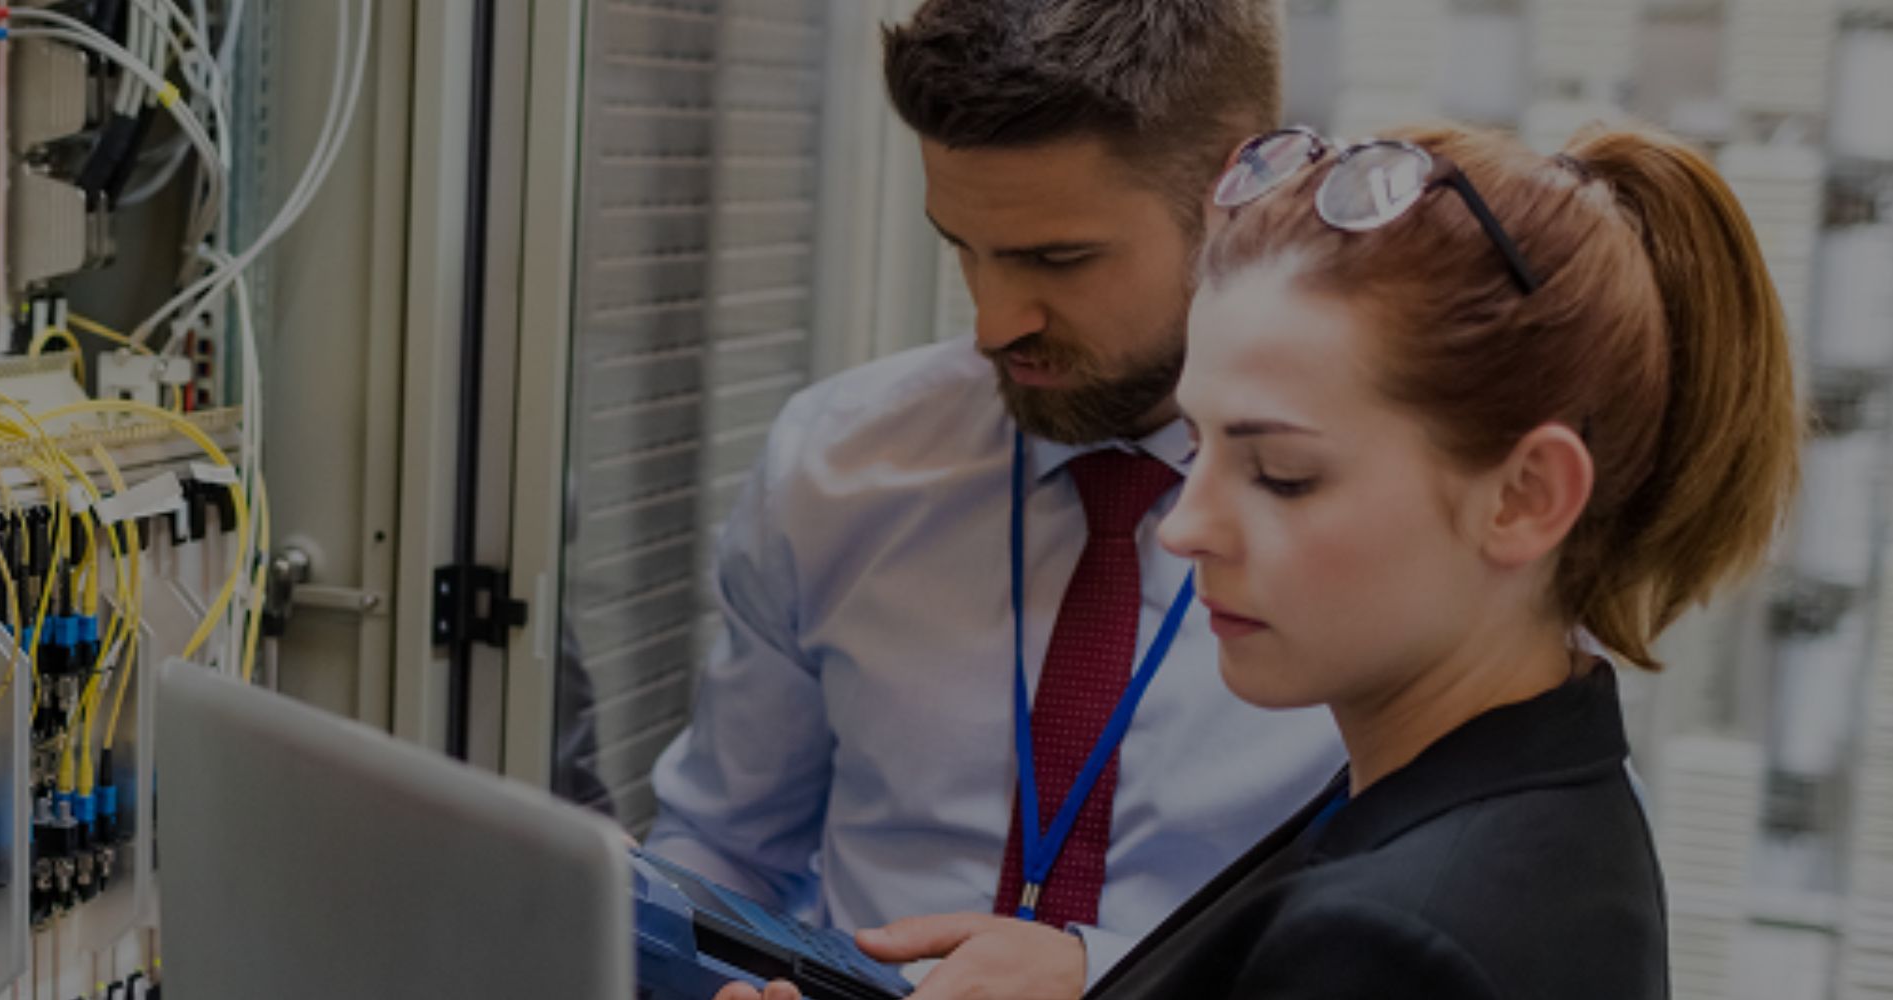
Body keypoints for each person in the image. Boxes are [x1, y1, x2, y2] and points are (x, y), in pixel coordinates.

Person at [650, 0, 1341, 994]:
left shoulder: (1392, 536)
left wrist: (1108, 981)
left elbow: (1446, 935)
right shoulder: (838, 466)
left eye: (1056, 259)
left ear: (1242, 190)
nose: (992, 322)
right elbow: (723, 847)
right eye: (961, 245)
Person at [1066, 122, 1792, 997]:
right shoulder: (1519, 799)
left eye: (1281, 475)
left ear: (1525, 497)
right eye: (1197, 445)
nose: (1185, 527)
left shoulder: (1388, 946)